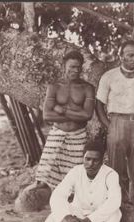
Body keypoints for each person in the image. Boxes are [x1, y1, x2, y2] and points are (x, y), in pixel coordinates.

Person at [96, 40, 134, 222]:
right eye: (129, 55)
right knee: (116, 172)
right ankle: (117, 214)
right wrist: (109, 126)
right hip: (117, 123)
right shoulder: (109, 76)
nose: (133, 58)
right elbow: (99, 105)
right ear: (120, 56)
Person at [35, 50, 95, 191]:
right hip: (57, 133)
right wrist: (76, 114)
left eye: (78, 67)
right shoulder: (54, 87)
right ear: (64, 66)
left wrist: (63, 110)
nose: (76, 70)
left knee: (76, 175)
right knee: (44, 173)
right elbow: (47, 116)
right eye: (72, 67)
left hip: (78, 135)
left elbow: (87, 115)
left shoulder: (87, 88)